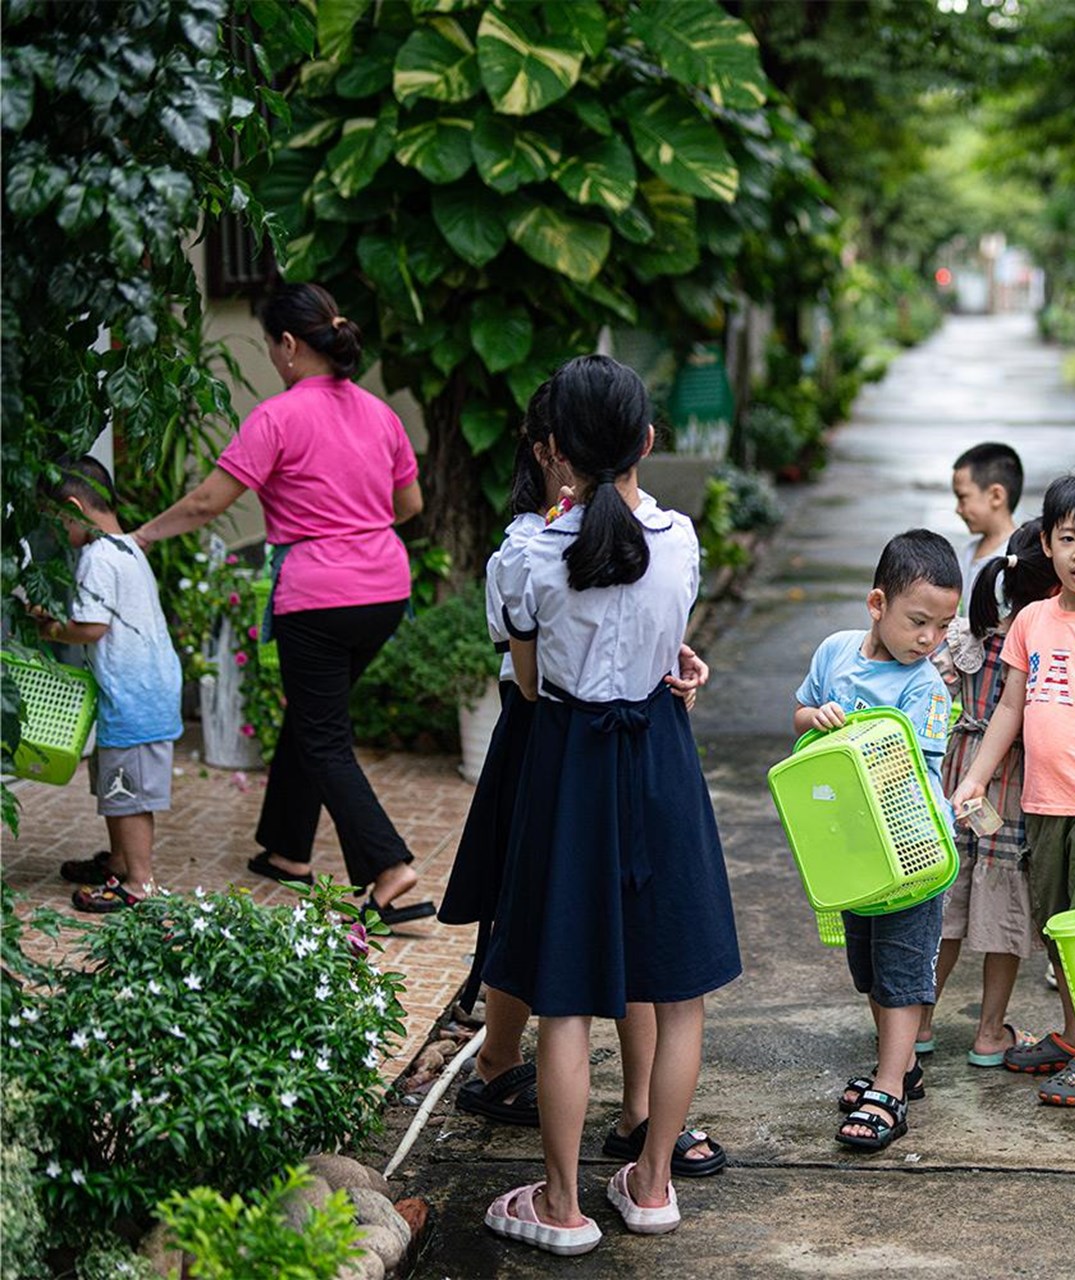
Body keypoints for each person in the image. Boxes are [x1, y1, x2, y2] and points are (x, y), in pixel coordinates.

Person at [480, 355, 740, 1252]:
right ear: (648, 443)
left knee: (565, 998)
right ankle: (655, 1185)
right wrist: (673, 668)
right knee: (678, 993)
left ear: (555, 452)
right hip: (661, 758)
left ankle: (561, 1207)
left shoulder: (524, 555)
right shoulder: (682, 539)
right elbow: (668, 644)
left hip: (570, 765)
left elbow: (527, 679)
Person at [131, 283, 432, 924]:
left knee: (324, 737)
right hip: (384, 591)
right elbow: (410, 508)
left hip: (318, 596)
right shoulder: (381, 415)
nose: (273, 358)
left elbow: (208, 502)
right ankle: (288, 850)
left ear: (290, 345)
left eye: (271, 346)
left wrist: (141, 536)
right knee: (312, 716)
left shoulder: (277, 416)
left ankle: (388, 867)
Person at [952, 472, 1075, 1108]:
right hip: (1042, 804)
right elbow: (1009, 708)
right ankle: (1073, 1035)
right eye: (1068, 539)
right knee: (1056, 929)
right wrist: (977, 775)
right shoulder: (1032, 621)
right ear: (1047, 542)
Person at [796, 529, 961, 1151]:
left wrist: (853, 739)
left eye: (942, 628)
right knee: (867, 967)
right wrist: (818, 720)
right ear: (877, 604)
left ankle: (889, 1087)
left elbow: (908, 769)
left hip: (911, 853)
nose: (930, 640)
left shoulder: (927, 688)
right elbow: (801, 716)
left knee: (901, 973)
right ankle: (902, 1069)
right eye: (919, 622)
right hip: (853, 849)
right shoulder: (835, 653)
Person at [919, 518, 1057, 1067]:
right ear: (1053, 589)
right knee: (1005, 913)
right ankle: (989, 1031)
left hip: (960, 776)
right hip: (1013, 786)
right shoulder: (1041, 643)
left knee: (945, 908)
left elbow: (931, 683)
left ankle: (921, 1023)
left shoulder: (970, 634)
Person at [44, 459, 182, 912]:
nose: (58, 532)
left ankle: (138, 883)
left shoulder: (98, 557)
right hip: (140, 688)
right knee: (115, 782)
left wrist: (49, 627)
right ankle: (120, 861)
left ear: (74, 507)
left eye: (56, 521)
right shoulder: (125, 547)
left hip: (135, 695)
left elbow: (89, 627)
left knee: (127, 791)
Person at [951, 442, 1023, 615]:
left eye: (963, 497)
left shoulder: (1019, 557)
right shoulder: (967, 552)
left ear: (996, 496)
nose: (958, 509)